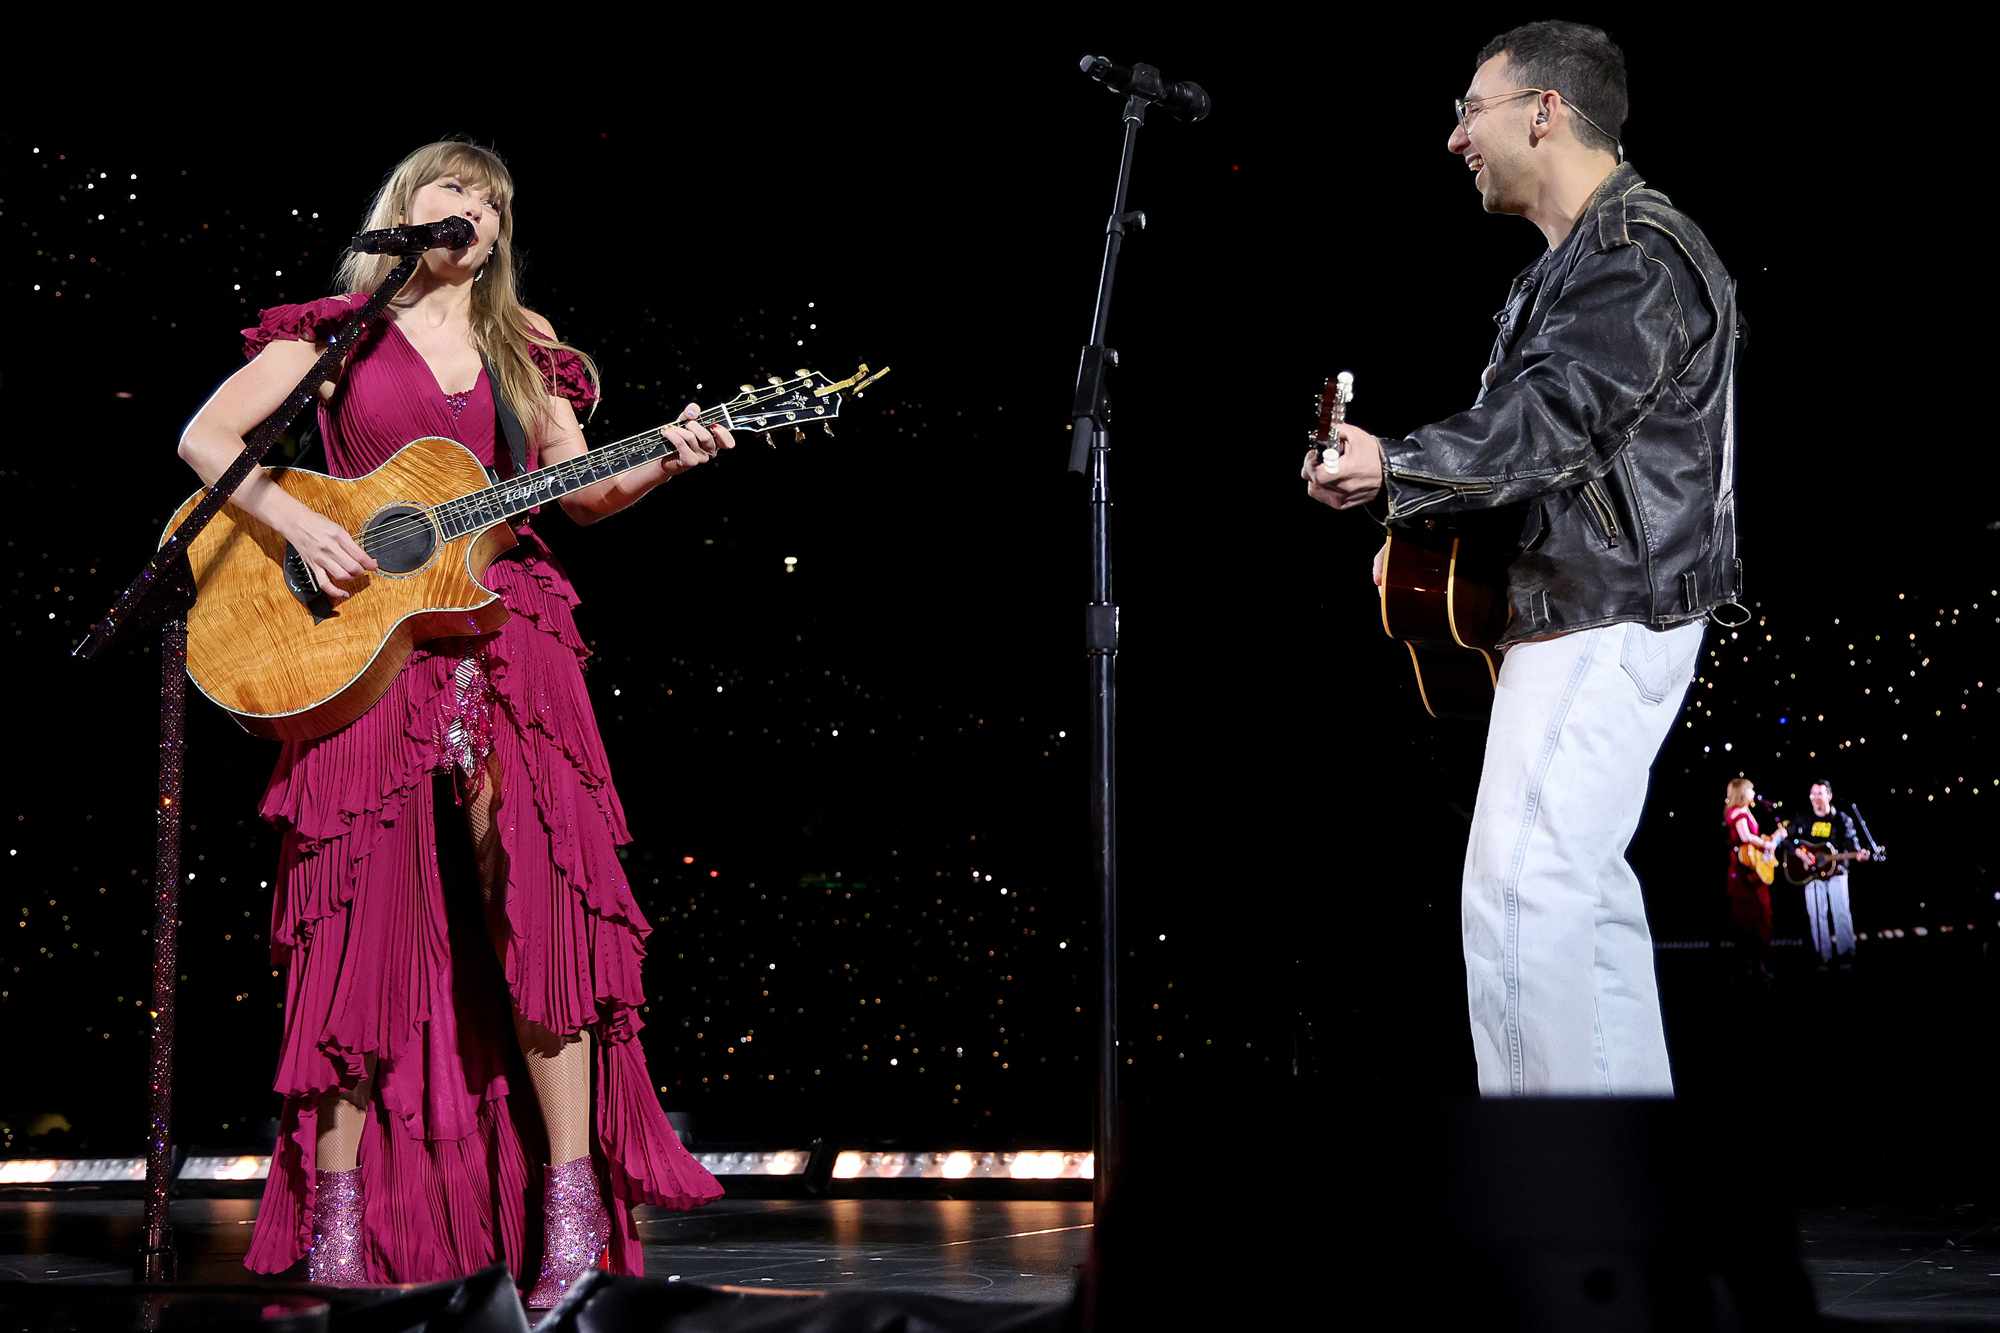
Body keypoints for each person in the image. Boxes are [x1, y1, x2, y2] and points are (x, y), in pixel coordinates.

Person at [175, 140, 727, 1304]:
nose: (470, 207)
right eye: (451, 188)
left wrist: (665, 462)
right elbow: (207, 442)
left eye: (489, 198)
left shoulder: (530, 351)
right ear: (404, 211)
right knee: (352, 923)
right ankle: (339, 1218)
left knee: (541, 902)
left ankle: (570, 1209)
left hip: (503, 628)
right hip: (362, 641)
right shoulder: (334, 329)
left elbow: (579, 496)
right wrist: (299, 520)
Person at [1302, 20, 1741, 1093]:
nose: (1454, 138)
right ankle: (1619, 1203)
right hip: (1589, 612)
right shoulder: (1569, 268)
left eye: (1469, 109)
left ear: (1542, 110)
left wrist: (1397, 467)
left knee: (1524, 897)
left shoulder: (1635, 254)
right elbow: (1544, 452)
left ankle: (1555, 1201)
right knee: (1574, 905)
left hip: (1605, 615)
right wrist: (1410, 514)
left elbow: (1557, 419)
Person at [1793, 779, 1872, 968]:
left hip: (1837, 872)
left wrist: (1858, 854)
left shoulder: (1842, 819)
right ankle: (1823, 956)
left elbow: (1852, 843)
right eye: (1813, 794)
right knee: (1816, 915)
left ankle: (1846, 955)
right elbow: (1790, 840)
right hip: (1811, 874)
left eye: (1819, 794)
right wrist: (1801, 854)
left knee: (1841, 913)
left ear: (1829, 796)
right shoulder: (1803, 818)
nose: (1815, 798)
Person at [1723, 778, 1785, 983]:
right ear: (1742, 792)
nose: (1754, 792)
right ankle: (1751, 965)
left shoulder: (1745, 810)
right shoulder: (1738, 812)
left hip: (1750, 866)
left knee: (1760, 915)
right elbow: (1746, 836)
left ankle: (1758, 963)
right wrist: (1766, 844)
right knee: (1749, 915)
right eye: (1751, 789)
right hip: (1743, 870)